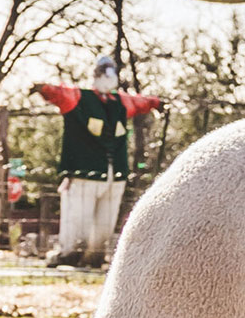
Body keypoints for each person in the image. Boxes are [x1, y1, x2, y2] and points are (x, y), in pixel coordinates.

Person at [34, 55, 164, 266]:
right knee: (78, 217)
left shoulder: (121, 102)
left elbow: (141, 102)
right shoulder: (79, 98)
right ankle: (72, 253)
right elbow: (59, 93)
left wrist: (156, 103)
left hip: (114, 173)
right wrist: (44, 89)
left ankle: (93, 255)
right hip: (85, 171)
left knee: (105, 219)